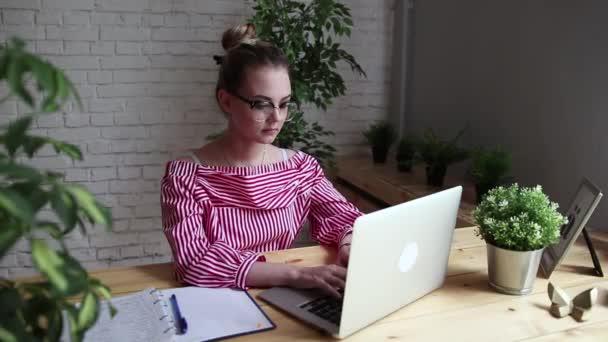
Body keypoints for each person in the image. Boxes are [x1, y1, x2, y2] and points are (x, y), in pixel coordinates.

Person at [160, 23, 363, 298]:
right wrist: (296, 275)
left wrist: (348, 244)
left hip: (280, 299)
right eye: (261, 104)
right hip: (214, 303)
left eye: (284, 103)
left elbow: (345, 217)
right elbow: (195, 263)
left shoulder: (300, 169)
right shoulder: (186, 176)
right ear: (226, 101)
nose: (276, 117)